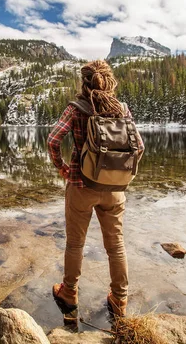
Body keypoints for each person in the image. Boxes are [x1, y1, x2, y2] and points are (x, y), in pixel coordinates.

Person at [47, 59, 143, 318]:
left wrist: (62, 167)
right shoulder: (121, 109)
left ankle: (69, 292)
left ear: (84, 81)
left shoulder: (76, 108)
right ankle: (119, 300)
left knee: (75, 244)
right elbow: (140, 147)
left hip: (81, 184)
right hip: (114, 189)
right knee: (116, 245)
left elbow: (53, 140)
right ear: (109, 81)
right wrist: (123, 174)